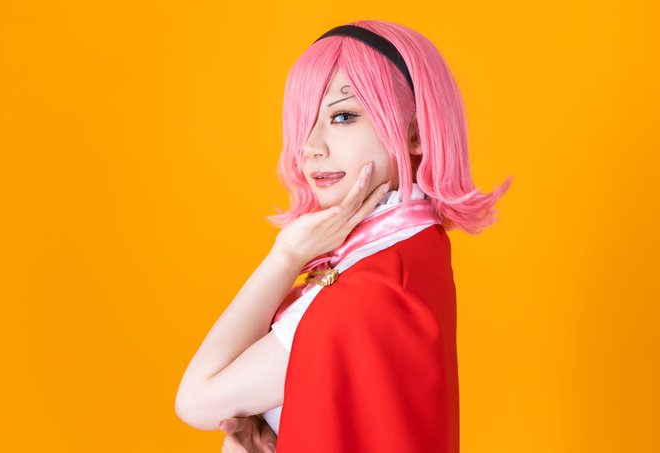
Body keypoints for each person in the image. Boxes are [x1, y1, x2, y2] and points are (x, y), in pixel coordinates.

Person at [175, 19, 512, 453]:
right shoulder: (409, 252)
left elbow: (196, 402)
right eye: (304, 122)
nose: (311, 146)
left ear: (415, 132)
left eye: (342, 116)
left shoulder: (371, 289)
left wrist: (286, 255)